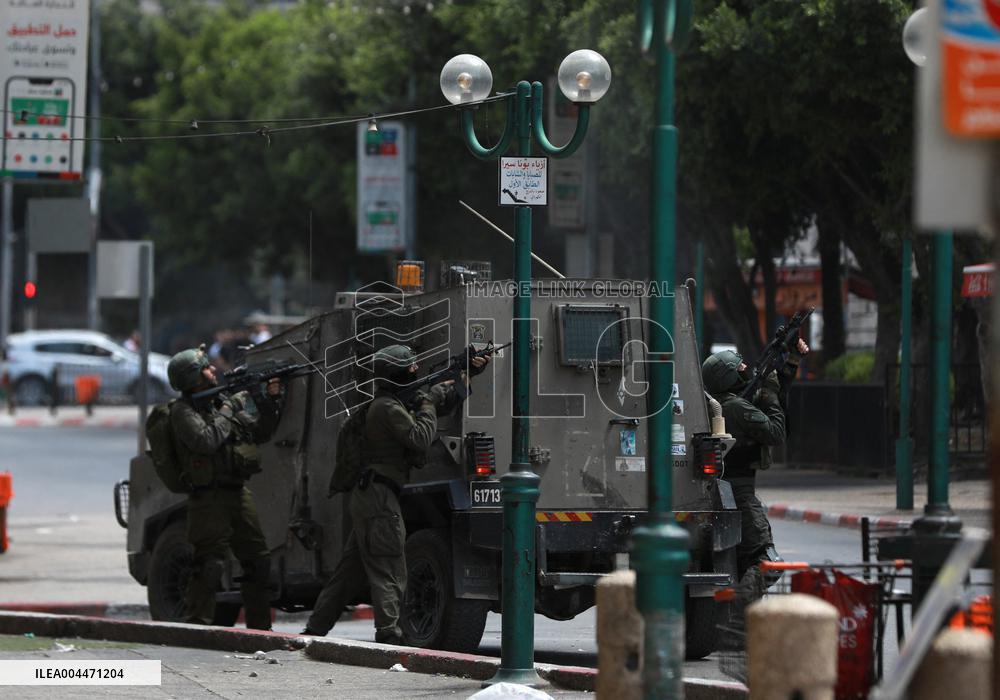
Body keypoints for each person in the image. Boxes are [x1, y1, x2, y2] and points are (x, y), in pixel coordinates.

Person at [302, 344, 488, 643]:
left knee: (349, 573)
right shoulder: (386, 409)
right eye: (411, 367)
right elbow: (420, 438)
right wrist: (427, 403)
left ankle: (315, 629)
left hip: (370, 497)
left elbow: (439, 396)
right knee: (390, 565)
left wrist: (467, 374)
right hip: (378, 497)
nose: (416, 369)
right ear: (398, 374)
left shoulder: (394, 402)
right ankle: (389, 633)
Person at [166, 345, 284, 630]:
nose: (213, 370)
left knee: (258, 561)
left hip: (236, 491)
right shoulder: (182, 412)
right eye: (206, 368)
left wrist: (265, 399)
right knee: (209, 566)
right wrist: (231, 407)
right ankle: (197, 628)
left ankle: (259, 631)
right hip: (208, 498)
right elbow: (206, 440)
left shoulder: (218, 401)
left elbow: (262, 432)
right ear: (193, 378)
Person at [701, 337, 809, 595]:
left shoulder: (718, 403)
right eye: (739, 368)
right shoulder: (736, 407)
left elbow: (768, 394)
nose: (745, 369)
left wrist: (790, 363)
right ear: (728, 377)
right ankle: (738, 620)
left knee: (743, 564)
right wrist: (770, 392)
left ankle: (735, 623)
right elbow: (775, 432)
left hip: (726, 490)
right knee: (766, 564)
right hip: (740, 492)